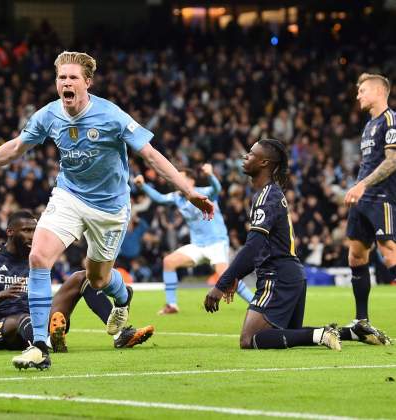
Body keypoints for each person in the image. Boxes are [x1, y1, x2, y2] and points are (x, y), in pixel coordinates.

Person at [0, 51, 213, 370]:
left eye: (73, 77)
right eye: (62, 78)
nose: (66, 83)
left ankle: (123, 297)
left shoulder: (111, 115)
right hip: (69, 196)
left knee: (97, 280)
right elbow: (17, 147)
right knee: (39, 257)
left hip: (110, 208)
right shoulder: (48, 115)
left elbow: (152, 156)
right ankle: (40, 346)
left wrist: (189, 191)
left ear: (87, 82)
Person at [204, 139, 341, 351]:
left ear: (264, 163)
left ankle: (321, 334)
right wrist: (237, 276)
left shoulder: (267, 196)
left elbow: (253, 247)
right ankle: (348, 332)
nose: (245, 157)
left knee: (249, 340)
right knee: (286, 335)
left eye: (250, 154)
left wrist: (221, 285)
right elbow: (260, 248)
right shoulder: (271, 193)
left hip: (277, 277)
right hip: (292, 275)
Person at [0, 210, 154, 357]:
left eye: (35, 230)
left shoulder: (38, 256)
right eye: (26, 231)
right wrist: (4, 294)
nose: (33, 236)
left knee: (82, 277)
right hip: (1, 326)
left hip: (40, 318)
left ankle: (119, 334)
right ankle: (47, 342)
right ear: (10, 232)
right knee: (23, 320)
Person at [134, 164, 254, 315]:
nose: (176, 181)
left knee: (226, 277)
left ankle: (255, 303)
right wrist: (143, 186)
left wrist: (210, 175)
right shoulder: (177, 197)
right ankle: (172, 305)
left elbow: (216, 188)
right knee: (169, 262)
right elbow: (159, 198)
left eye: (180, 178)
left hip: (216, 242)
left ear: (191, 181)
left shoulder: (203, 193)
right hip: (197, 245)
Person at [341, 72, 395, 345]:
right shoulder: (368, 125)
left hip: (382, 196)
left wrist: (362, 185)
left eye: (362, 90)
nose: (358, 95)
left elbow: (392, 161)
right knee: (356, 255)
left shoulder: (390, 120)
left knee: (389, 252)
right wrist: (356, 188)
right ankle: (362, 322)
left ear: (377, 91)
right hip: (362, 199)